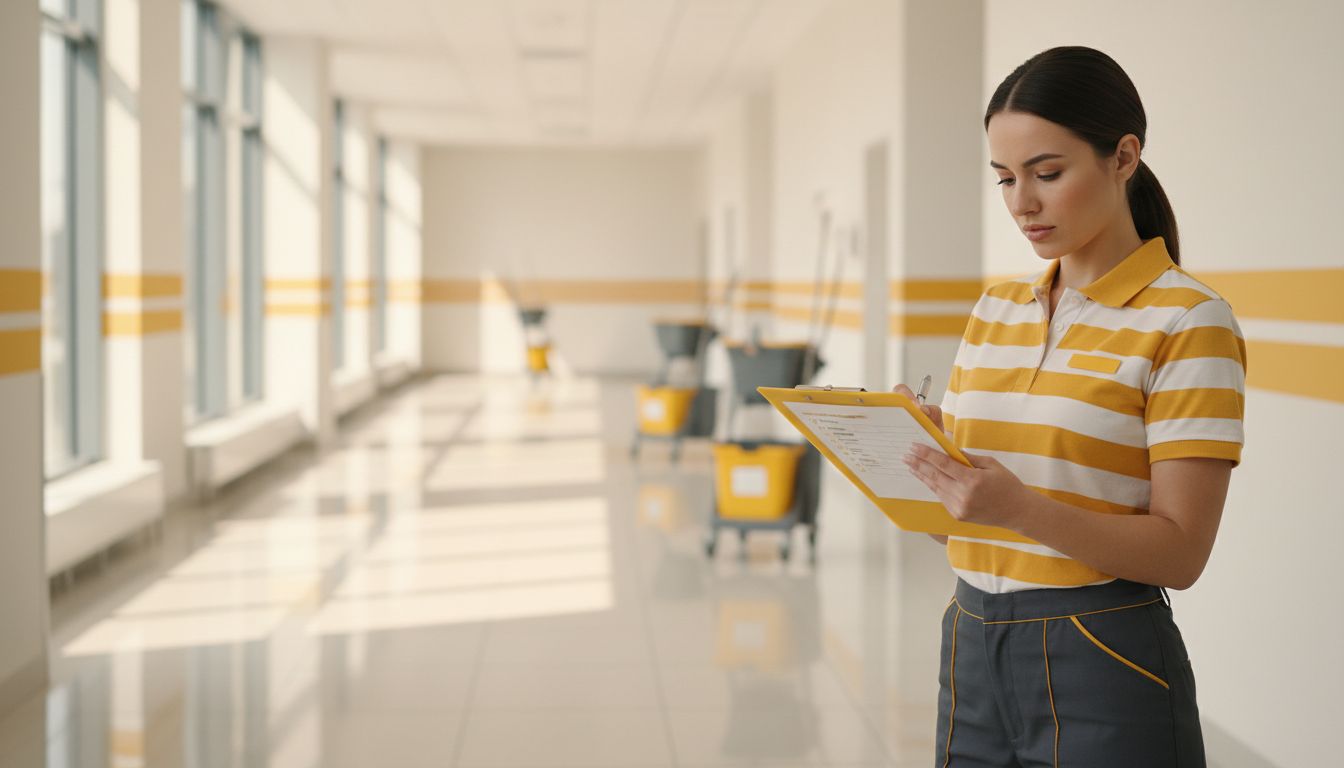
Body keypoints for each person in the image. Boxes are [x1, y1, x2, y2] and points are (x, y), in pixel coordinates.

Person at [893, 46, 1246, 767]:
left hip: (1104, 655)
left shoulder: (1188, 319)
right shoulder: (994, 310)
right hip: (970, 642)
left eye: (1048, 174)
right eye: (1005, 178)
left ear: (1123, 157)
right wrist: (916, 464)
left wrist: (1020, 508)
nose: (1023, 202)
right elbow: (959, 529)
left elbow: (1181, 553)